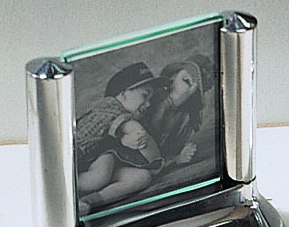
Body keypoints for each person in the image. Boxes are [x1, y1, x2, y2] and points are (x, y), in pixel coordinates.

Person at [73, 61, 164, 215]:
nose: (148, 104)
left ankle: (90, 202)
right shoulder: (110, 106)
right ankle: (66, 189)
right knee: (100, 176)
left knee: (142, 177)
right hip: (78, 157)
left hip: (99, 158)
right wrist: (127, 134)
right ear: (123, 95)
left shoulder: (131, 115)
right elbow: (125, 125)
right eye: (144, 95)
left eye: (151, 99)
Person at [145, 59, 209, 169]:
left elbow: (165, 152)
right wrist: (169, 103)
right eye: (186, 80)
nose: (190, 89)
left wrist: (178, 158)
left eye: (195, 89)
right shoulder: (151, 100)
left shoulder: (186, 118)